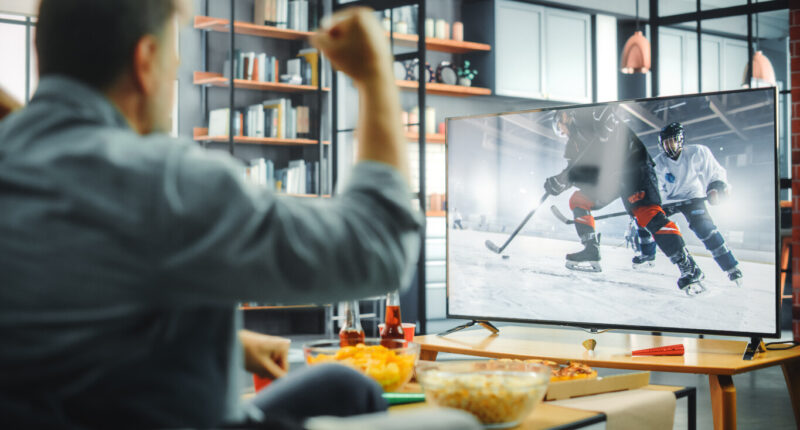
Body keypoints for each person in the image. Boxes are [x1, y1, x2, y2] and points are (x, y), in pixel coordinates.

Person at [0, 2, 481, 429]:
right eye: (173, 66)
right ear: (144, 62)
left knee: (344, 385)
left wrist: (227, 340)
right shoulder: (166, 181)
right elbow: (376, 248)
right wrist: (375, 78)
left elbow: (66, 310)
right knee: (453, 423)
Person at [544, 108, 706, 295]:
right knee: (579, 200)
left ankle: (689, 267)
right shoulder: (573, 144)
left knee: (647, 216)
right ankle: (591, 249)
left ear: (565, 116)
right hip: (610, 178)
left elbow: (608, 115)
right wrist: (560, 182)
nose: (561, 131)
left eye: (559, 125)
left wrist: (608, 127)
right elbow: (577, 171)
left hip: (634, 167)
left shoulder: (586, 116)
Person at [632, 122, 743, 286]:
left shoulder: (698, 152)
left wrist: (715, 187)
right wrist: (651, 202)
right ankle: (647, 254)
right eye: (665, 142)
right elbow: (656, 187)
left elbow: (715, 172)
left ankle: (731, 267)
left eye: (672, 141)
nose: (669, 146)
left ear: (681, 140)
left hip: (693, 198)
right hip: (669, 200)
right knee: (643, 221)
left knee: (705, 229)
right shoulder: (658, 163)